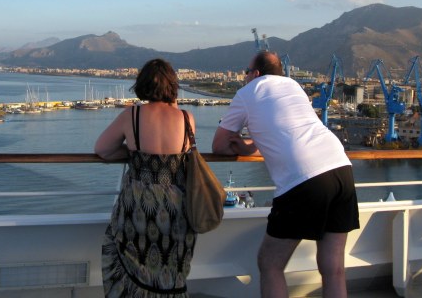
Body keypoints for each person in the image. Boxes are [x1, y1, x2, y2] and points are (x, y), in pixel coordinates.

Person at [212, 51, 359, 298]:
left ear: (256, 74)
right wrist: (249, 146)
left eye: (246, 72)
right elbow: (283, 128)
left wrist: (238, 144)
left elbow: (219, 145)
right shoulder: (294, 86)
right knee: (333, 268)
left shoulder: (247, 93)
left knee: (270, 264)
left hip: (304, 177)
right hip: (339, 167)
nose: (245, 77)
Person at [95, 58, 197, 297]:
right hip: (176, 208)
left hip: (138, 207)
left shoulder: (131, 115)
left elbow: (103, 149)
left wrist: (133, 153)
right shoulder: (186, 118)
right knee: (171, 268)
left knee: (131, 264)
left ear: (141, 84)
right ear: (173, 86)